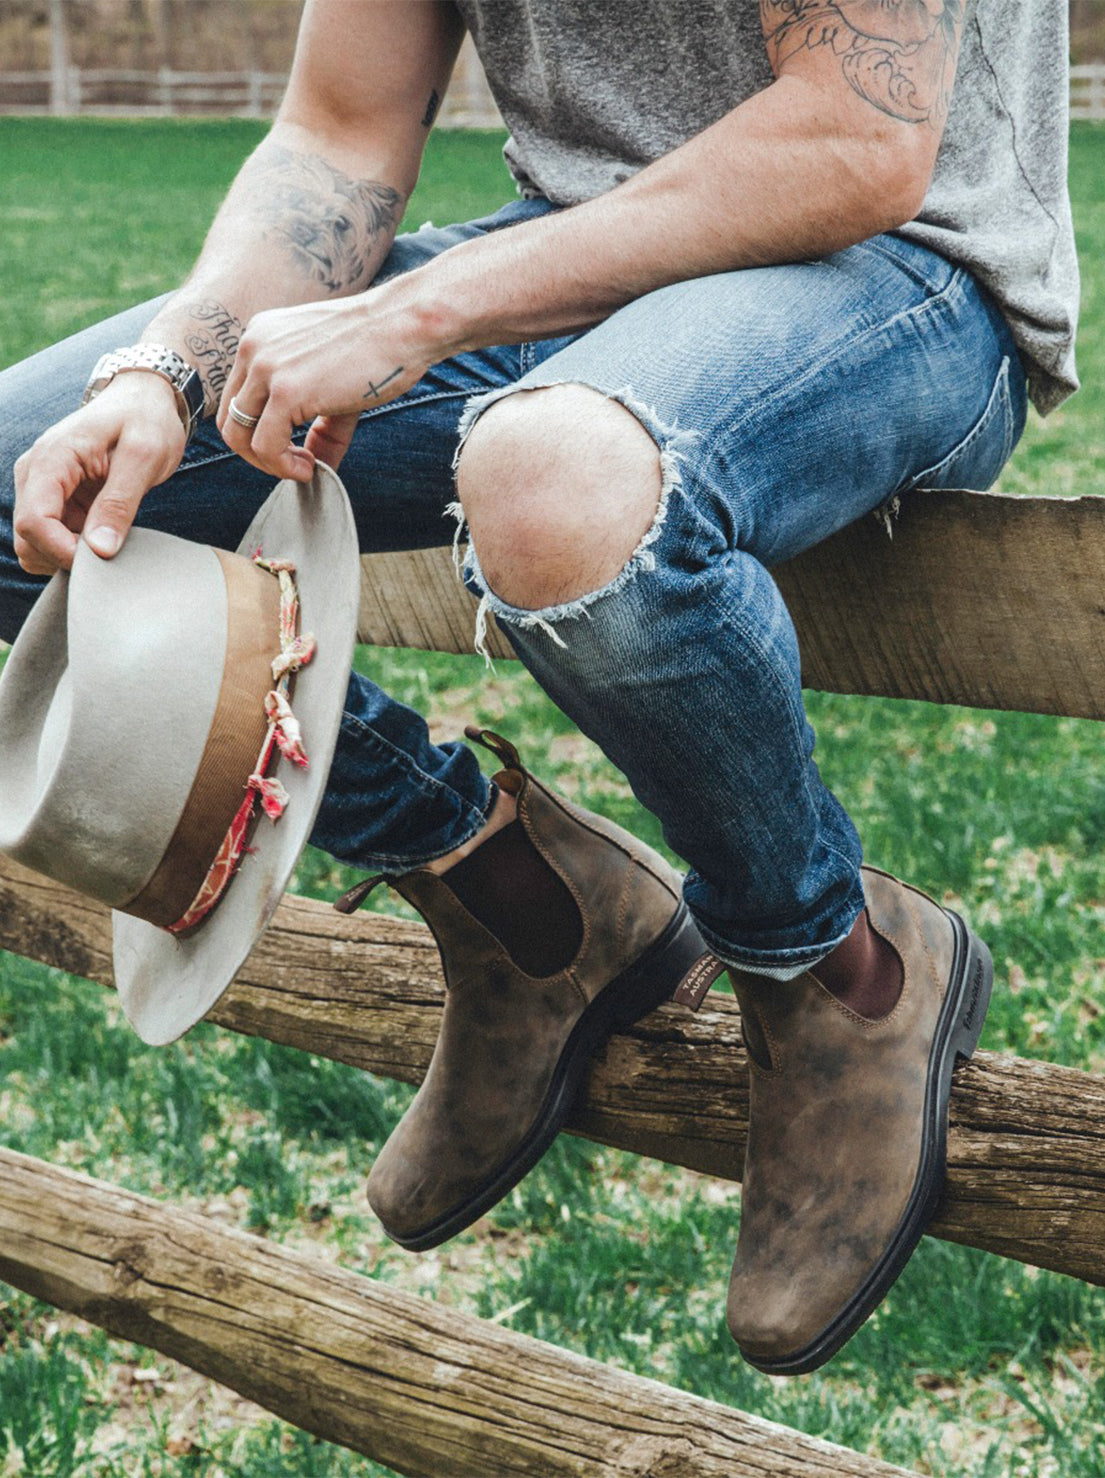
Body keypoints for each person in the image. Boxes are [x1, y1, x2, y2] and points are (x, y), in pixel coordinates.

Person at [0, 0, 1078, 1374]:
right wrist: (167, 374)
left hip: (894, 270)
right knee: (27, 480)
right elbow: (337, 131)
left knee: (552, 478)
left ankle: (836, 968)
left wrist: (417, 311)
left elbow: (853, 140)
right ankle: (513, 891)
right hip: (568, 260)